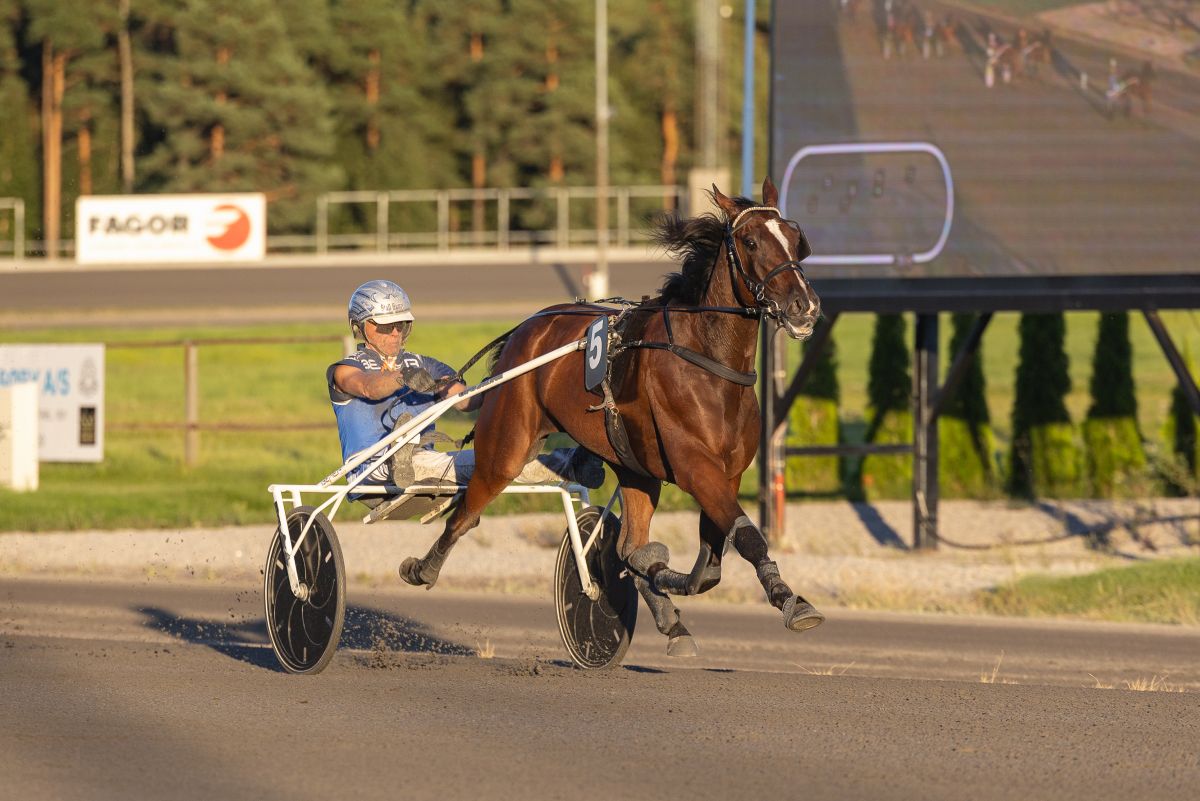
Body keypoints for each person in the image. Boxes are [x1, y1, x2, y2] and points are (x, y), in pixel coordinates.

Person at [327, 279, 603, 491]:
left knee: (502, 457)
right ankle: (572, 464)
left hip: (423, 464)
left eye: (401, 324)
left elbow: (464, 402)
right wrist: (403, 376)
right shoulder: (346, 369)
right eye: (387, 326)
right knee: (492, 463)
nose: (396, 332)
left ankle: (572, 461)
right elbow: (366, 387)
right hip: (369, 468)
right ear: (360, 327)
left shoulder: (427, 364)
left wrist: (497, 383)